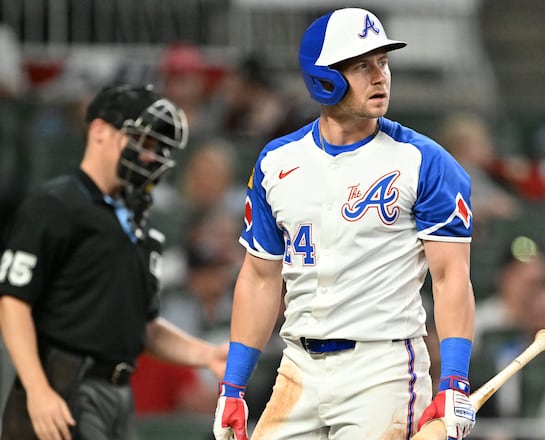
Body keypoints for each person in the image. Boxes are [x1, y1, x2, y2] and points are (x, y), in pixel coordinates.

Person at [212, 7, 476, 440]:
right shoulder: (276, 162)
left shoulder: (424, 161)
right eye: (361, 65)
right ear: (324, 77)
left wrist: (454, 381)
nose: (380, 76)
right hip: (297, 365)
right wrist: (234, 386)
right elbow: (260, 278)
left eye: (383, 62)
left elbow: (451, 278)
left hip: (383, 369)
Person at [0, 84, 228, 440]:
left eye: (157, 147)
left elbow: (146, 328)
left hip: (117, 392)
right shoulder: (54, 205)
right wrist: (38, 389)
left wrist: (207, 354)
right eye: (142, 141)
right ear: (100, 131)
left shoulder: (139, 222)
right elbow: (13, 303)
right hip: (62, 385)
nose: (150, 156)